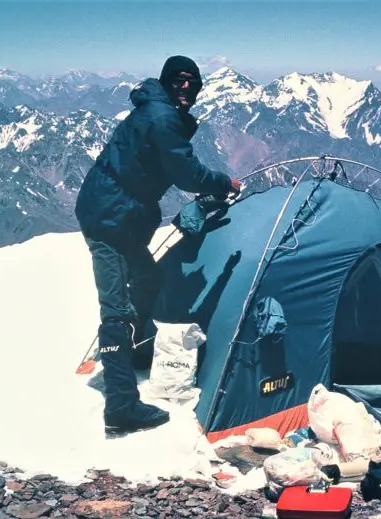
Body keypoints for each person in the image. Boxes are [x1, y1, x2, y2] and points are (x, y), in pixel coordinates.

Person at [75, 55, 241, 437]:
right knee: (115, 307)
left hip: (116, 214)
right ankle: (121, 404)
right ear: (167, 83)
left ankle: (131, 349)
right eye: (180, 81)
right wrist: (223, 183)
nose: (187, 88)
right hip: (108, 219)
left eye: (193, 83)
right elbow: (186, 173)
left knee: (148, 279)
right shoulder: (163, 119)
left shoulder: (156, 110)